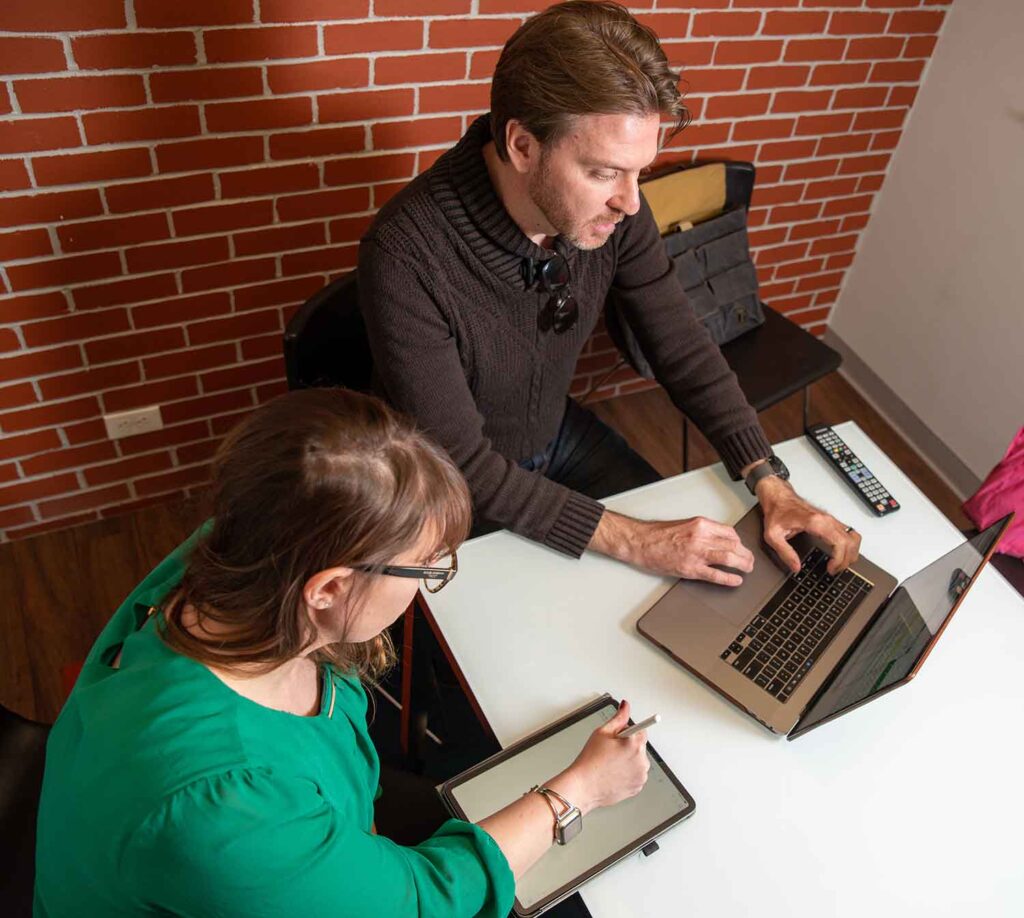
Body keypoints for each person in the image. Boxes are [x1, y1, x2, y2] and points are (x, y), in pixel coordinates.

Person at [34, 388, 650, 917]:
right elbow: (417, 905)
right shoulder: (223, 806)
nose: (431, 580)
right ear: (327, 588)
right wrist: (579, 792)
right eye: (427, 569)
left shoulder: (238, 560)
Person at [358, 0, 861, 586]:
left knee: (689, 585)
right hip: (438, 484)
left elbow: (680, 344)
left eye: (639, 172)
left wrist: (769, 478)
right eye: (603, 172)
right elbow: (461, 463)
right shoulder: (405, 253)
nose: (630, 202)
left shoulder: (617, 209)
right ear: (522, 146)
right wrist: (633, 539)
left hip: (554, 436)